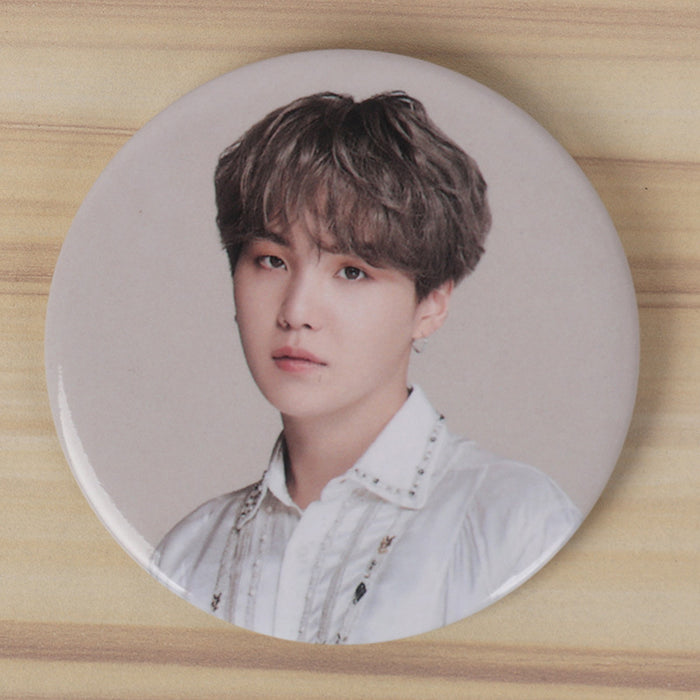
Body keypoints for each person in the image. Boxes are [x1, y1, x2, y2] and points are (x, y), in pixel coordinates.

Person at [151, 91, 581, 644]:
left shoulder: (513, 524)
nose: (296, 312)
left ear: (431, 304)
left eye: (352, 271)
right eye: (272, 261)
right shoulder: (188, 552)